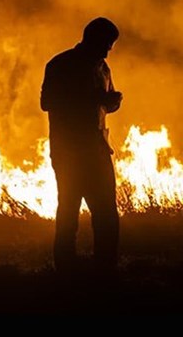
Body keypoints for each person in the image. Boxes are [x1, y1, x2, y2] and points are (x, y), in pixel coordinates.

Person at [40, 17, 123, 278]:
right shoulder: (61, 65)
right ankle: (65, 268)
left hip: (98, 149)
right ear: (91, 39)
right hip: (69, 151)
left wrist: (112, 102)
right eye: (106, 44)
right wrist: (95, 98)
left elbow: (104, 104)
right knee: (69, 210)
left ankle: (106, 267)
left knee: (107, 212)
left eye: (110, 46)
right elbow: (48, 102)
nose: (108, 50)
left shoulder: (103, 68)